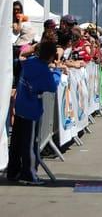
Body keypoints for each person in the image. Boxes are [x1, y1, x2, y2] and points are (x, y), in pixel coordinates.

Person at [6, 41, 61, 185]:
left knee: (17, 142)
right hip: (31, 109)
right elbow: (52, 86)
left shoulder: (30, 62)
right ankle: (29, 174)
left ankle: (13, 171)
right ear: (50, 56)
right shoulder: (43, 70)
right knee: (30, 144)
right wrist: (57, 71)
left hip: (21, 104)